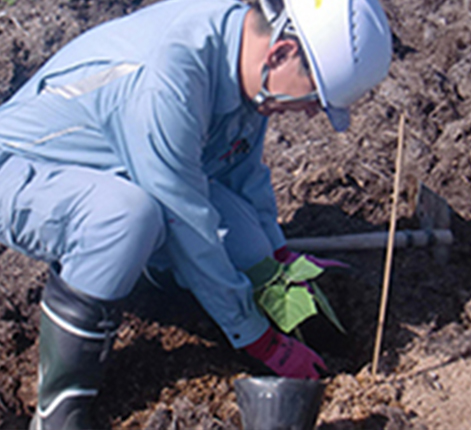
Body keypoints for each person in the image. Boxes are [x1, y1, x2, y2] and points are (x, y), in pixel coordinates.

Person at [0, 0, 391, 428]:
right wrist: (260, 341)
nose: (313, 110)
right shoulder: (169, 78)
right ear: (281, 53)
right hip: (23, 167)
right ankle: (60, 407)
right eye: (315, 95)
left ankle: (150, 282)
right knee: (126, 219)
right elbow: (184, 220)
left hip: (119, 168)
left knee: (248, 245)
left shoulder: (247, 57)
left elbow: (243, 172)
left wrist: (279, 261)